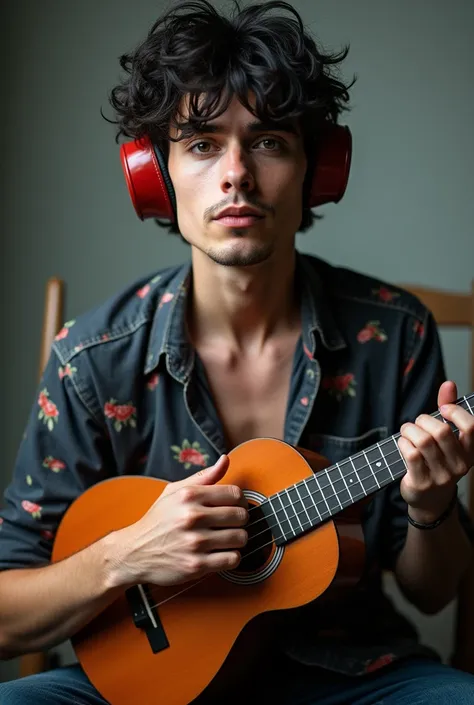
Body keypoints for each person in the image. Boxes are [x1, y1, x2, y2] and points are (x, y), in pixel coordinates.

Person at [1, 1, 473, 703]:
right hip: (146, 685)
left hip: (348, 675)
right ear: (153, 175)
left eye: (269, 141)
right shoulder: (92, 358)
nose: (236, 175)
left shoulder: (394, 332)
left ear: (319, 169)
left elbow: (432, 593)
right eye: (201, 143)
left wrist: (431, 505)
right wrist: (126, 556)